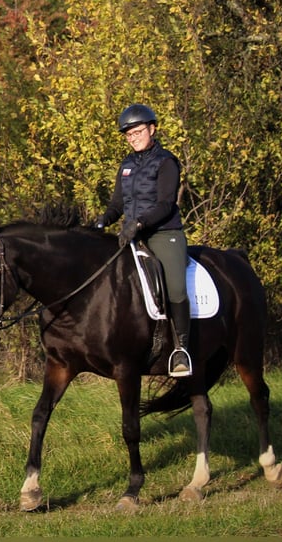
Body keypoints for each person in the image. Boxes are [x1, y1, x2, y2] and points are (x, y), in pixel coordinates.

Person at [96, 103, 192, 377]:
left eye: (138, 131)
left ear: (152, 129)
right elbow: (117, 204)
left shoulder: (166, 162)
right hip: (131, 234)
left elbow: (165, 204)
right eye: (129, 134)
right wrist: (102, 221)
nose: (134, 137)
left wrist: (138, 223)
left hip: (163, 234)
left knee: (174, 288)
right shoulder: (126, 165)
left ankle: (181, 349)